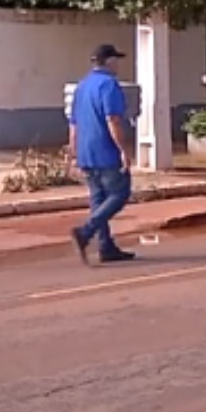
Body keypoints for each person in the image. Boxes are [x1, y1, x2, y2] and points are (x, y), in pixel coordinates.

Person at [68, 44, 136, 265]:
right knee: (120, 193)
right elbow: (113, 119)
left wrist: (73, 152)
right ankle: (85, 232)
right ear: (109, 61)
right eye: (116, 59)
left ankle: (106, 246)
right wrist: (123, 150)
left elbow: (74, 124)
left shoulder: (82, 86)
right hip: (105, 151)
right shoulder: (109, 85)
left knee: (98, 200)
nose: (118, 64)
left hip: (86, 152)